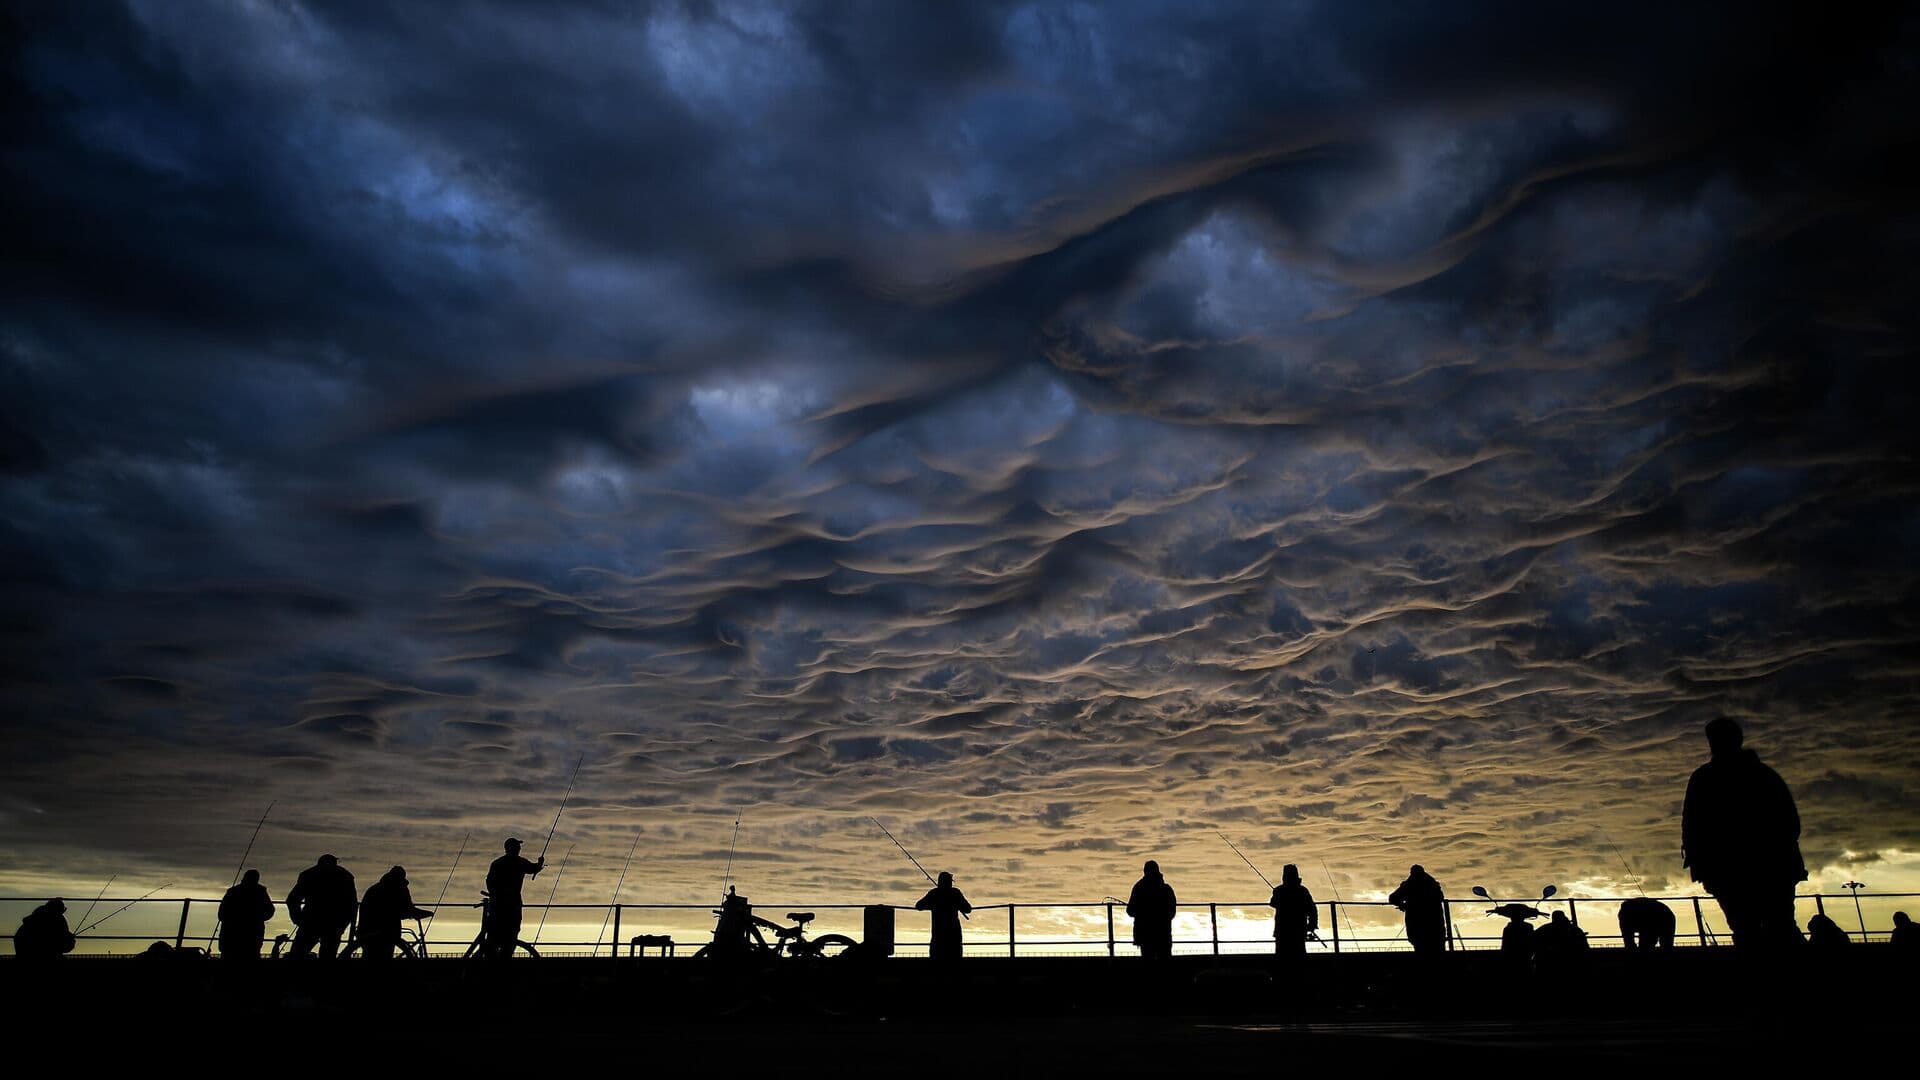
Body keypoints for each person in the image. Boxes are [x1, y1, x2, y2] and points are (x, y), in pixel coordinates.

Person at [1681, 717, 1807, 950]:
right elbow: (1790, 823)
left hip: (1730, 870)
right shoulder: (1766, 775)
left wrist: (1700, 863)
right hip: (1773, 868)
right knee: (1779, 928)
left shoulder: (1704, 778)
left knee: (1751, 930)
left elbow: (1691, 826)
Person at [286, 854, 358, 960]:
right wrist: (346, 923)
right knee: (328, 956)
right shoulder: (345, 876)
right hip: (334, 923)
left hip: (311, 921)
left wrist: (298, 919)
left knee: (297, 955)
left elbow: (292, 899)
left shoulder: (308, 875)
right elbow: (352, 904)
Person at [482, 837, 544, 959]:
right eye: (518, 847)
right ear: (515, 848)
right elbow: (533, 869)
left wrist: (495, 895)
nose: (520, 849)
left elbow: (489, 882)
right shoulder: (520, 862)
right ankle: (505, 960)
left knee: (493, 934)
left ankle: (490, 963)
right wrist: (540, 863)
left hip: (496, 904)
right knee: (511, 933)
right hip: (513, 905)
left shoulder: (497, 863)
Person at [357, 865, 433, 960]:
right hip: (389, 928)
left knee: (369, 955)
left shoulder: (374, 889)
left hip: (366, 929)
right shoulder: (400, 888)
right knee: (386, 953)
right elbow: (406, 908)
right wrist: (414, 913)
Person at [1387, 864, 1448, 954]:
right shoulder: (1433, 884)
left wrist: (1402, 905)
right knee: (1438, 949)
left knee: (1420, 949)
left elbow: (1392, 898)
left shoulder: (1409, 884)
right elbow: (1440, 897)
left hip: (1417, 923)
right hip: (1435, 923)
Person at [217, 869, 275, 959]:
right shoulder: (261, 891)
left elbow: (221, 913)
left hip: (231, 934)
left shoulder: (232, 891)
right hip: (252, 933)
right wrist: (258, 918)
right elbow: (270, 910)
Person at [914, 871, 972, 961]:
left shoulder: (934, 893)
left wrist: (932, 906)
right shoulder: (955, 893)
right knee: (955, 959)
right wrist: (957, 905)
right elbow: (968, 909)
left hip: (938, 934)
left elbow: (918, 906)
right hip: (954, 934)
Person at [1126, 860, 1177, 960]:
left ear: (1144, 872)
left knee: (1147, 964)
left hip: (1145, 935)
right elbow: (1172, 912)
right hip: (1163, 934)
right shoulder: (1167, 889)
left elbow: (1130, 910)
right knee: (1165, 963)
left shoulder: (1138, 888)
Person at [1268, 864, 1318, 961]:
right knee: (1299, 957)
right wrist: (1312, 925)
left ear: (1284, 876)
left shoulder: (1279, 890)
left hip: (1282, 930)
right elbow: (1312, 909)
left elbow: (1272, 903)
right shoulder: (1303, 891)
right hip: (1299, 930)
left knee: (1282, 958)